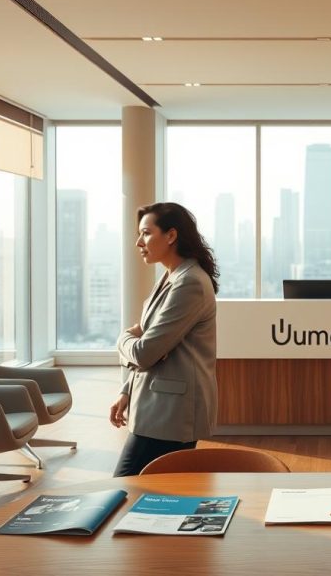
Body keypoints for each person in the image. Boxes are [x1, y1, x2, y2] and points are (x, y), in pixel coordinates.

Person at [110, 202, 219, 477]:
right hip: (157, 407)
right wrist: (127, 391)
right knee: (155, 494)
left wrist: (122, 338)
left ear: (171, 235)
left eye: (146, 233)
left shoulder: (189, 283)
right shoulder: (171, 277)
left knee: (126, 487)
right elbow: (150, 341)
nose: (138, 242)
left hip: (171, 413)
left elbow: (146, 350)